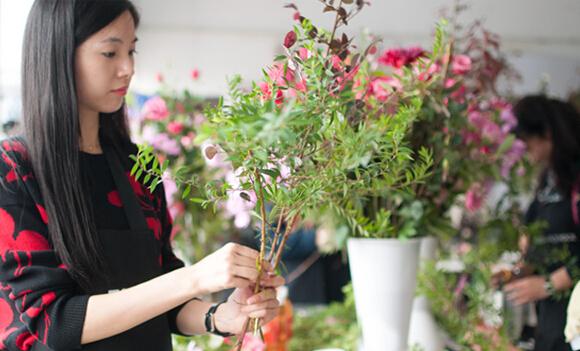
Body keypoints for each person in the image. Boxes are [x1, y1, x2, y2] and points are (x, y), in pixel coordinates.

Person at [0, 1, 283, 350]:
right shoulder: (13, 170)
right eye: (110, 52)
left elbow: (164, 294)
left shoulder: (138, 166)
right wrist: (193, 278)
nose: (128, 68)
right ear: (58, 55)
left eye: (132, 51)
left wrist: (222, 315)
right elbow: (52, 323)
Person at [505, 95, 580, 351]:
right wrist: (521, 270)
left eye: (527, 143)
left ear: (547, 133)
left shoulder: (575, 178)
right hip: (549, 321)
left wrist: (549, 284)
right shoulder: (548, 177)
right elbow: (534, 231)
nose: (526, 152)